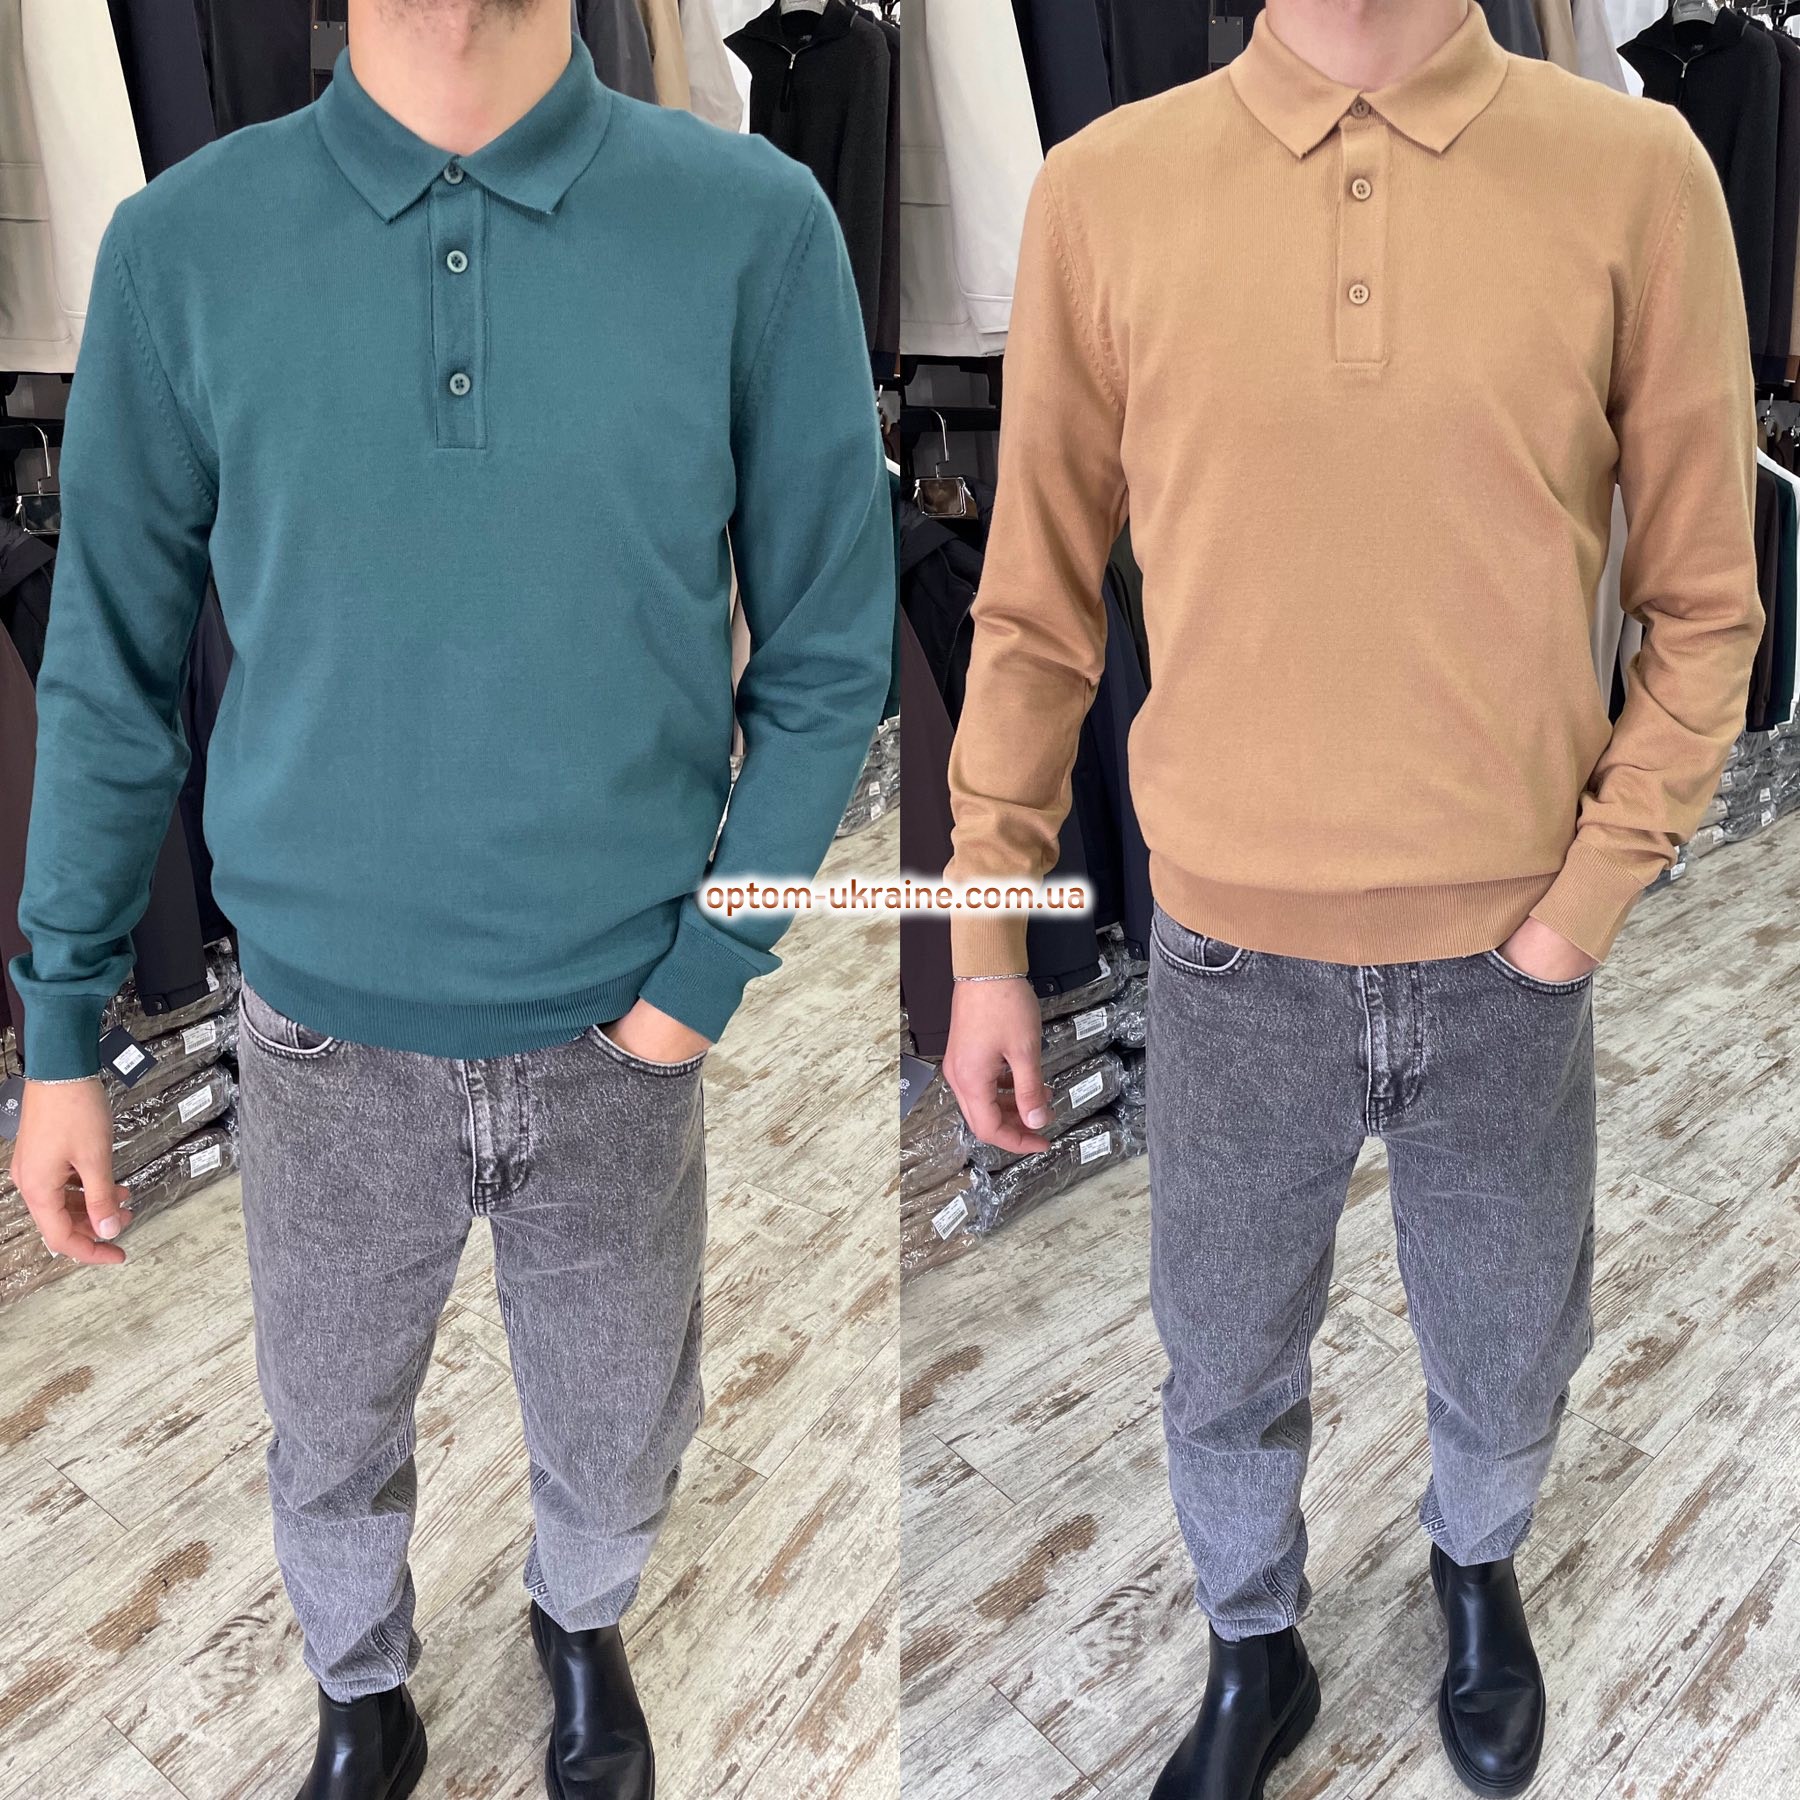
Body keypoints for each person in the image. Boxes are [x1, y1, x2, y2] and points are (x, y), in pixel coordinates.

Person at [7, 0, 893, 1794]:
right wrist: (63, 1032)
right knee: (329, 1437)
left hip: (620, 1031)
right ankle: (360, 1690)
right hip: (321, 1038)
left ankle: (582, 1621)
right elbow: (107, 677)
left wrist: (701, 980)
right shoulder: (184, 247)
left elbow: (826, 662)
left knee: (620, 1431)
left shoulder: (752, 226)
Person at [936, 1, 1761, 1796]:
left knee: (1511, 1345)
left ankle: (1477, 1568)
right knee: (1223, 1357)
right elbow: (1034, 605)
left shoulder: (1635, 172)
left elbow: (1707, 604)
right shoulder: (1107, 190)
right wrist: (986, 938)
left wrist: (1582, 903)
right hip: (1229, 958)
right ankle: (1254, 1644)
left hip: (1508, 955)